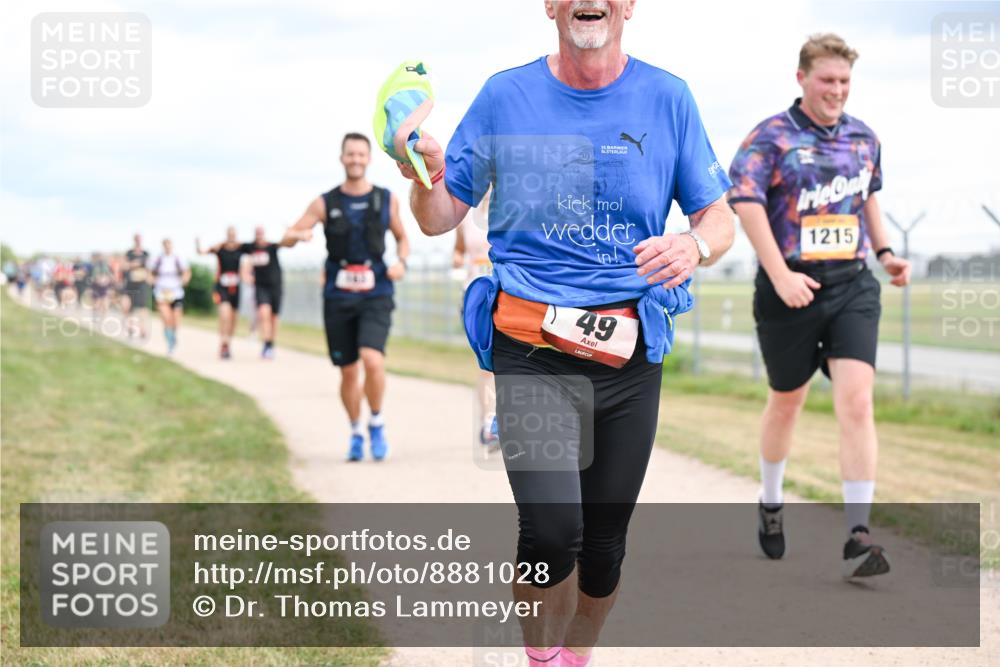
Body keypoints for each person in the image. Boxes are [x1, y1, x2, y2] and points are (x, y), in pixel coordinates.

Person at [399, 2, 734, 664]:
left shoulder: (669, 98)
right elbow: (439, 217)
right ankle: (538, 657)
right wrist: (421, 172)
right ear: (550, 5)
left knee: (605, 545)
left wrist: (694, 245)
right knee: (553, 530)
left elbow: (717, 213)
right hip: (534, 350)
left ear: (630, 5)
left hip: (629, 355)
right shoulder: (506, 95)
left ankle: (576, 653)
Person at [727, 33, 911, 579]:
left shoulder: (863, 138)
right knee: (788, 400)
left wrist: (886, 253)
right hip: (790, 287)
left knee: (857, 401)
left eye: (845, 82)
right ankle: (771, 500)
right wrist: (780, 274)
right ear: (802, 78)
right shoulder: (770, 138)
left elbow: (868, 197)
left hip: (852, 283)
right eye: (827, 80)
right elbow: (746, 203)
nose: (837, 91)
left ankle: (859, 532)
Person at [282, 132, 410, 462]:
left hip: (376, 292)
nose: (355, 160)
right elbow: (286, 238)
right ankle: (355, 429)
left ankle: (377, 422)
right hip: (338, 295)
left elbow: (402, 238)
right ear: (342, 159)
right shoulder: (325, 202)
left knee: (373, 359)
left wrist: (402, 262)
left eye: (360, 155)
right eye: (350, 154)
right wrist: (299, 234)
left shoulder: (386, 199)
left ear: (368, 159)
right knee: (349, 371)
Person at [452, 190, 499, 451]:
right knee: (487, 365)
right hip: (476, 299)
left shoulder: (514, 214)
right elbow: (458, 251)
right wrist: (457, 261)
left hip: (507, 296)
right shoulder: (466, 219)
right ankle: (489, 423)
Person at [240, 227, 290, 359]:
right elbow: (232, 245)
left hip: (276, 286)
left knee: (274, 317)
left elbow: (285, 243)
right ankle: (266, 344)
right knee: (263, 314)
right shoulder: (250, 247)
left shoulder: (272, 247)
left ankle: (271, 343)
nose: (259, 236)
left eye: (261, 234)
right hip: (260, 287)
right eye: (257, 234)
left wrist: (291, 233)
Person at [197, 227, 246, 359]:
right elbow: (201, 252)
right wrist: (198, 242)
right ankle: (223, 343)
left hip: (235, 288)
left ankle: (228, 344)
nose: (231, 237)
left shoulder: (241, 249)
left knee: (233, 319)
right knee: (225, 314)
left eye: (234, 235)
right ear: (226, 235)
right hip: (221, 287)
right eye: (230, 235)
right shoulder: (220, 249)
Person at [149, 238, 191, 354]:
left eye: (169, 245)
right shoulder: (157, 259)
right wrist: (152, 280)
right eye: (165, 245)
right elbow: (150, 273)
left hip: (176, 292)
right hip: (161, 292)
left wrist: (184, 280)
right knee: (166, 318)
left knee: (176, 320)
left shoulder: (178, 258)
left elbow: (186, 272)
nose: (167, 247)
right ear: (163, 246)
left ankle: (173, 336)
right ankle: (170, 343)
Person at [120, 234, 152, 338]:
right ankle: (130, 327)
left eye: (139, 239)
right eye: (136, 239)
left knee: (142, 308)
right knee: (126, 307)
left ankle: (143, 330)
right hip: (129, 284)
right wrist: (136, 264)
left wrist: (132, 265)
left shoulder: (146, 253)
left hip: (142, 284)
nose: (138, 241)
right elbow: (123, 266)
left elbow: (149, 267)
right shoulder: (129, 253)